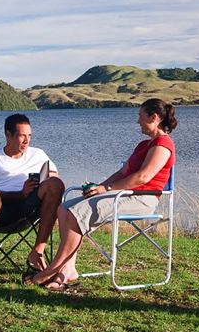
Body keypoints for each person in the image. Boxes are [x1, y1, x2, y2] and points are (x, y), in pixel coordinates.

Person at [27, 98, 176, 291]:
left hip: (142, 199)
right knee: (64, 209)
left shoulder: (163, 144)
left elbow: (143, 177)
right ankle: (69, 269)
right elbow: (122, 173)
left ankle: (53, 270)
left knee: (75, 214)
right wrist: (99, 187)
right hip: (124, 194)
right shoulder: (143, 145)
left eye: (140, 116)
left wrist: (107, 189)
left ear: (154, 117)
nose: (138, 121)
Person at [0, 113, 64, 279]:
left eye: (29, 136)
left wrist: (41, 184)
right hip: (0, 211)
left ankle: (37, 254)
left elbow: (55, 178)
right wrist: (20, 193)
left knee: (56, 184)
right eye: (22, 136)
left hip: (31, 208)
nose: (27, 141)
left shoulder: (38, 154)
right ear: (8, 134)